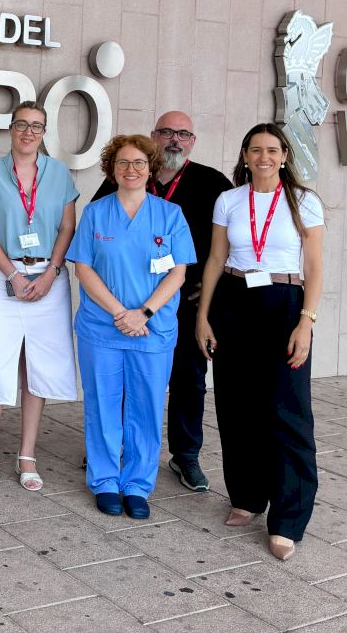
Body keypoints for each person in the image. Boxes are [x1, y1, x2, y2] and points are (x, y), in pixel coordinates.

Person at [195, 123, 324, 562]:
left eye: (272, 150)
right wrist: (203, 316)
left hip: (285, 303)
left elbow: (315, 267)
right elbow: (216, 258)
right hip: (234, 301)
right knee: (237, 406)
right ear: (245, 156)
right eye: (255, 150)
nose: (263, 157)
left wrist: (306, 322)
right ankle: (247, 496)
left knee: (288, 411)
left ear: (285, 155)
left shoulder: (304, 201)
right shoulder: (229, 200)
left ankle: (288, 520)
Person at [90, 112, 231, 492]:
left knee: (189, 380)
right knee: (124, 380)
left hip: (184, 303)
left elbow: (230, 241)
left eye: (183, 133)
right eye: (167, 132)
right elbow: (95, 237)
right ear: (154, 137)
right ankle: (114, 449)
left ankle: (185, 455)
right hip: (125, 307)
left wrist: (210, 287)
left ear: (193, 141)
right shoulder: (124, 177)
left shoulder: (213, 183)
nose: (174, 140)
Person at [67, 135, 195, 520]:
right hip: (102, 328)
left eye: (139, 162)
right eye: (123, 162)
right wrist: (121, 313)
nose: (131, 169)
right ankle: (105, 480)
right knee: (102, 405)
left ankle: (138, 484)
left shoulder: (170, 215)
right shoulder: (96, 213)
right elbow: (83, 268)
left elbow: (178, 272)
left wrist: (144, 314)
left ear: (151, 168)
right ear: (112, 169)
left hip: (152, 330)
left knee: (147, 407)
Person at [0, 101, 79, 491]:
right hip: (4, 274)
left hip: (49, 277)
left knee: (38, 366)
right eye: (21, 124)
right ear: (10, 129)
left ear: (44, 132)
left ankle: (27, 454)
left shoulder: (60, 173)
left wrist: (51, 272)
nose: (28, 132)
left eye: (36, 126)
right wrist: (13, 275)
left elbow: (67, 228)